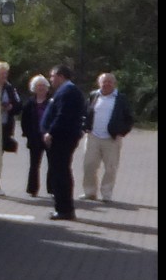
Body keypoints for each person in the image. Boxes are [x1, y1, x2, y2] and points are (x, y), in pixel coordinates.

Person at [40, 64, 86, 221]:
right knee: (59, 172)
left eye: (52, 76)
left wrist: (50, 132)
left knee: (60, 173)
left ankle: (64, 209)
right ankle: (63, 208)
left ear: (60, 76)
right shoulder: (65, 91)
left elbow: (62, 116)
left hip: (62, 138)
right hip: (62, 137)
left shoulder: (68, 92)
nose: (50, 79)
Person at [80, 72, 135, 203]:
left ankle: (106, 193)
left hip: (112, 138)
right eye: (104, 81)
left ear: (114, 84)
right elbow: (85, 112)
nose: (106, 84)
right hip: (93, 136)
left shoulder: (120, 98)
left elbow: (129, 118)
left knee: (110, 167)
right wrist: (84, 126)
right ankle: (89, 192)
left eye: (110, 82)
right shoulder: (94, 95)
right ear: (99, 83)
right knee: (89, 165)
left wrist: (122, 132)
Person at [19, 74, 51, 196]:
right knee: (34, 165)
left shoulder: (51, 101)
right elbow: (24, 120)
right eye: (38, 86)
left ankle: (52, 189)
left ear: (47, 87)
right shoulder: (29, 103)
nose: (41, 88)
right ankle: (32, 189)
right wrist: (27, 134)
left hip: (49, 136)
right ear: (34, 88)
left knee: (52, 164)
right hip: (34, 137)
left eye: (43, 86)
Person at [0, 61, 20, 153]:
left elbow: (18, 105)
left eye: (5, 73)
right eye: (1, 73)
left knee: (0, 150)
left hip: (5, 125)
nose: (4, 76)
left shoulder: (9, 88)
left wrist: (11, 107)